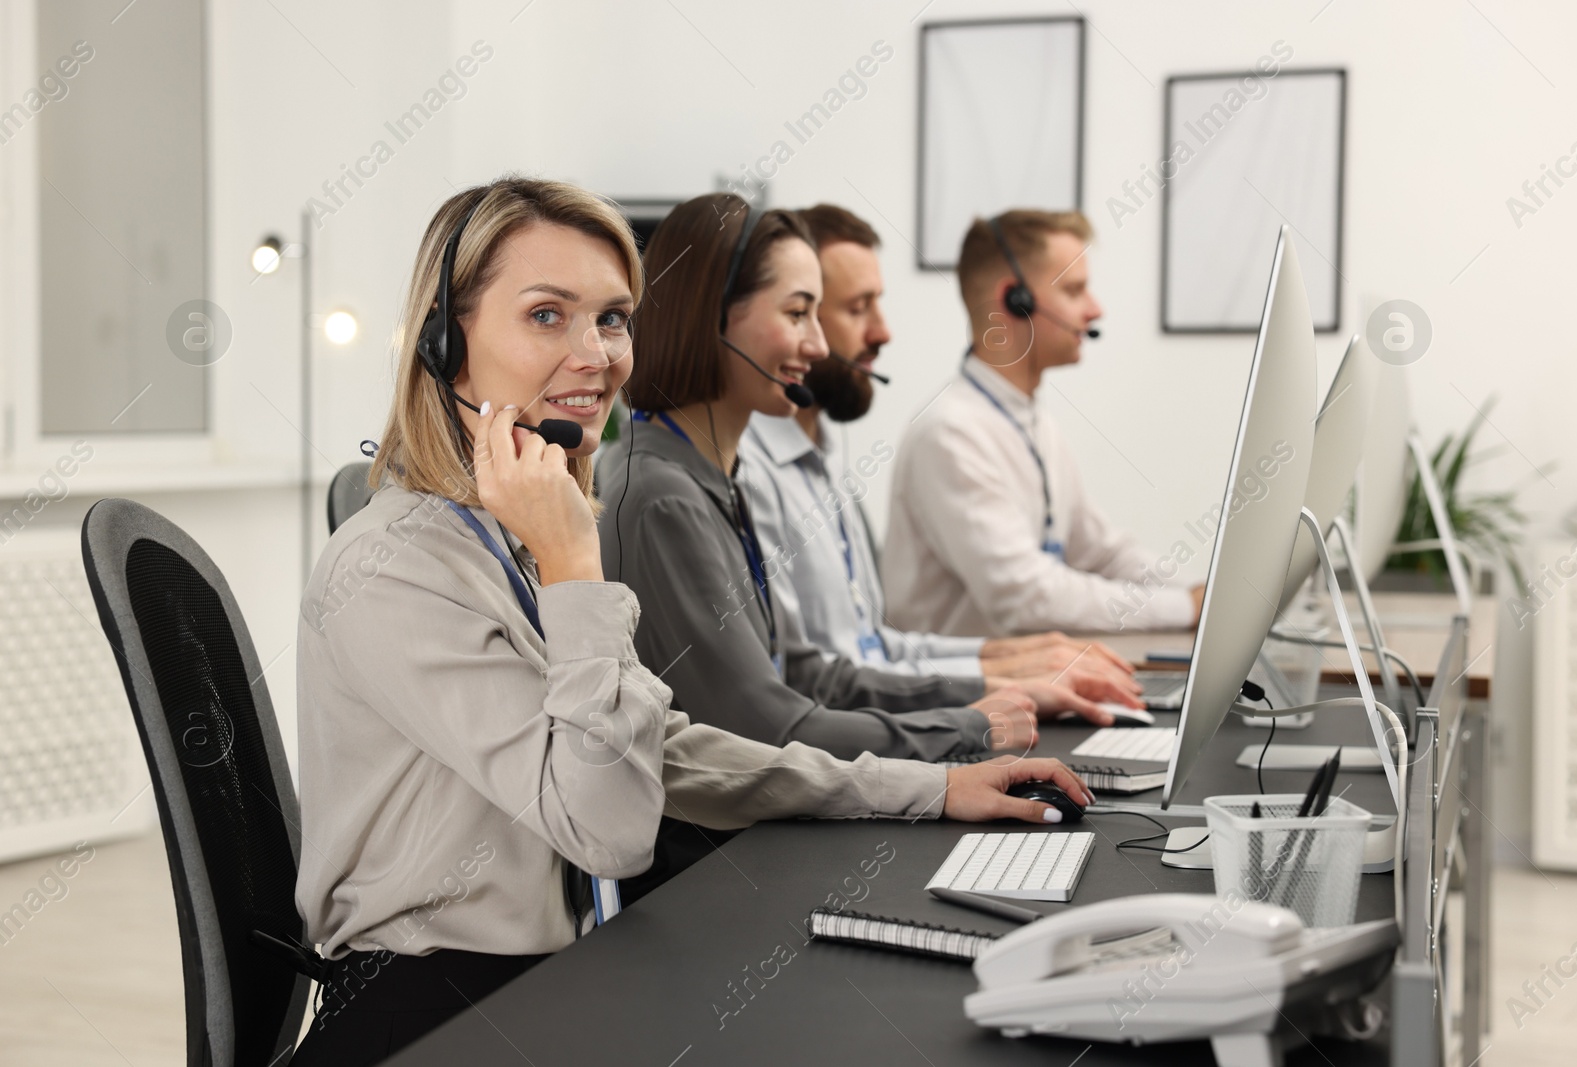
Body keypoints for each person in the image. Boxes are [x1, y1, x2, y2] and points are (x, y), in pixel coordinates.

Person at [291, 178, 1092, 1066]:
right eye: (548, 316)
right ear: (445, 342)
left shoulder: (503, 540)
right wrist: (572, 563)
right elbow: (608, 823)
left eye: (612, 318)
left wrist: (927, 789)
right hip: (436, 1009)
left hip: (548, 974)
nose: (596, 353)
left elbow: (660, 750)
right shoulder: (396, 566)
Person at [599, 194, 1129, 767]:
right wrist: (967, 728)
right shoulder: (664, 499)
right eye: (798, 314)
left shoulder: (718, 476)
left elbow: (804, 673)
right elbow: (759, 724)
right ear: (715, 317)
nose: (820, 346)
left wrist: (990, 698)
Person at [737, 203, 1140, 698]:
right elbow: (807, 686)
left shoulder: (825, 461)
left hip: (892, 727)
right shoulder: (749, 473)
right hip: (870, 746)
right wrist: (997, 687)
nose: (884, 332)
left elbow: (875, 648)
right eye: (856, 308)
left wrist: (1009, 663)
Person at [882, 209, 1205, 636]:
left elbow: (1102, 553)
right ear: (1015, 301)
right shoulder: (950, 433)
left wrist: (1207, 596)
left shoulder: (1033, 422)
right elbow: (1027, 596)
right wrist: (1184, 608)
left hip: (1024, 685)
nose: (1094, 309)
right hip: (964, 699)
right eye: (1074, 290)